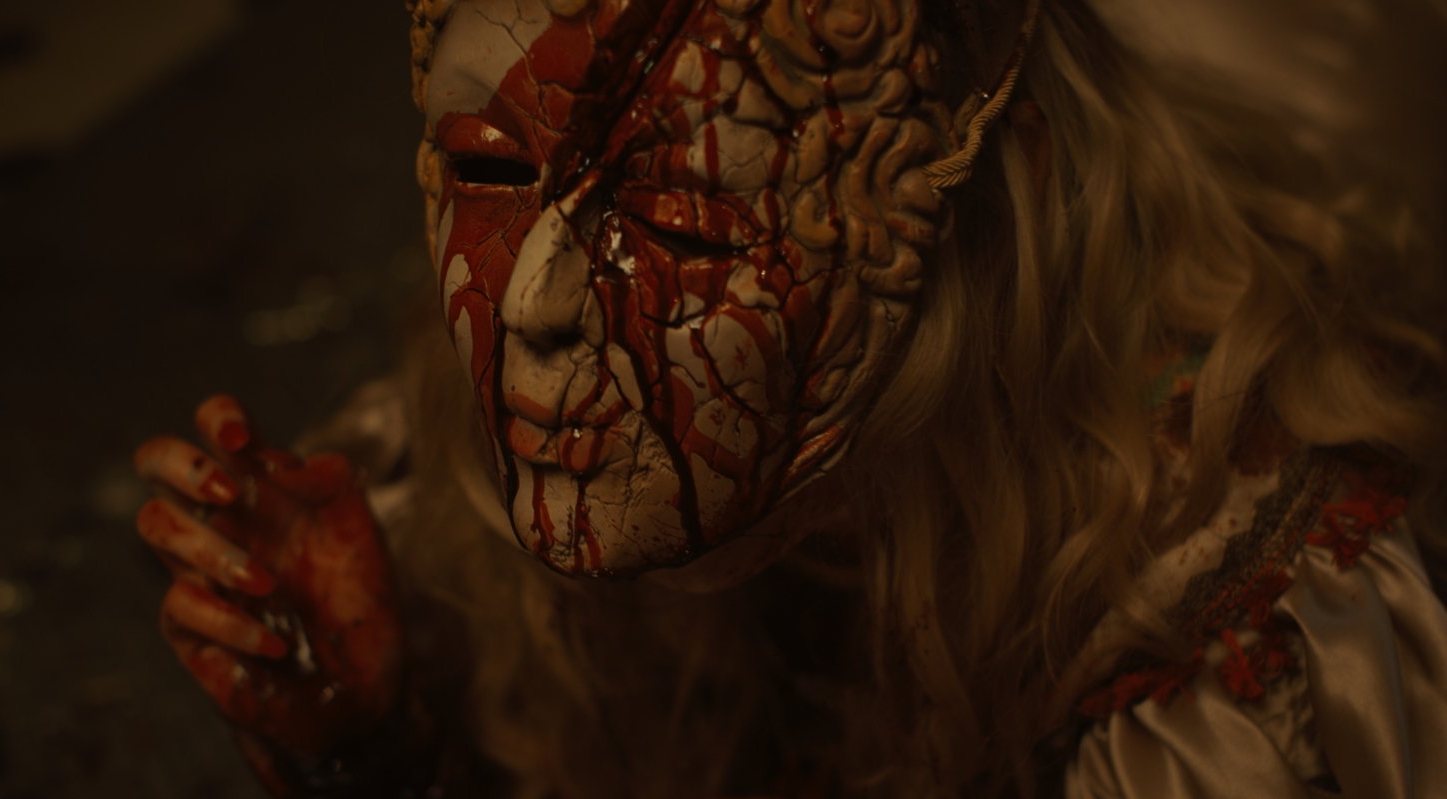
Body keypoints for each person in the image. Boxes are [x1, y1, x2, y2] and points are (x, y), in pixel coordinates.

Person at [133, 0, 1447, 795]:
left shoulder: (1231, 620)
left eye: (685, 232)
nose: (530, 297)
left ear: (936, 219)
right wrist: (375, 745)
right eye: (486, 172)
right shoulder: (519, 425)